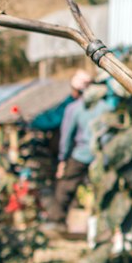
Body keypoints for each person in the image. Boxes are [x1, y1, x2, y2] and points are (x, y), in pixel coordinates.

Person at [52, 69, 96, 223]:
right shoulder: (104, 106)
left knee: (64, 188)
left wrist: (62, 159)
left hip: (81, 155)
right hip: (101, 156)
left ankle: (58, 222)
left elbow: (66, 137)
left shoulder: (74, 108)